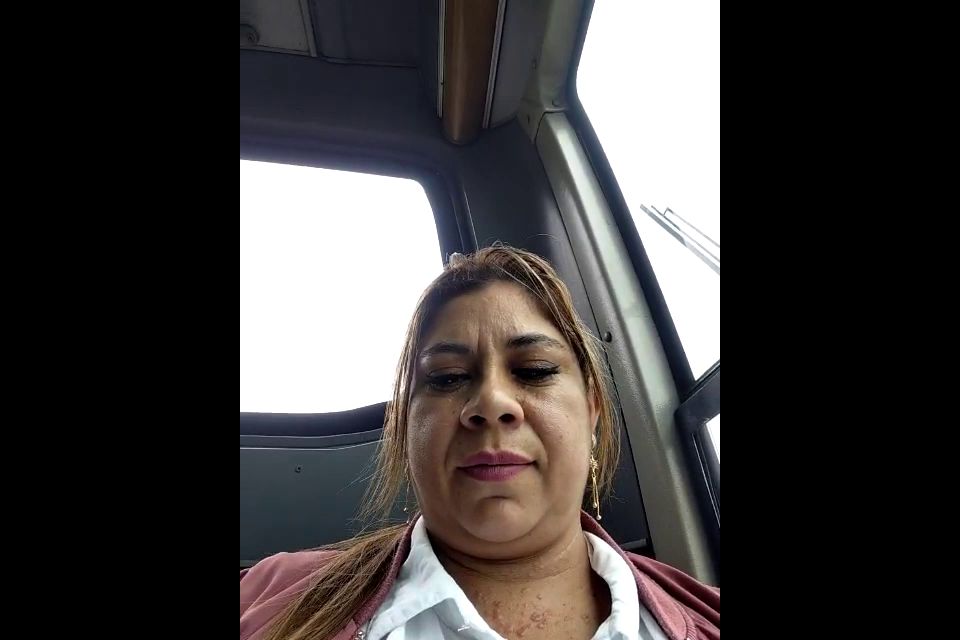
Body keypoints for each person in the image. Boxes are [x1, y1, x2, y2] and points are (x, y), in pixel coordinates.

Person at [241, 246, 720, 640]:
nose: (490, 402)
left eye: (534, 371)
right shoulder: (269, 596)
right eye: (447, 378)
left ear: (592, 409)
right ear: (406, 426)